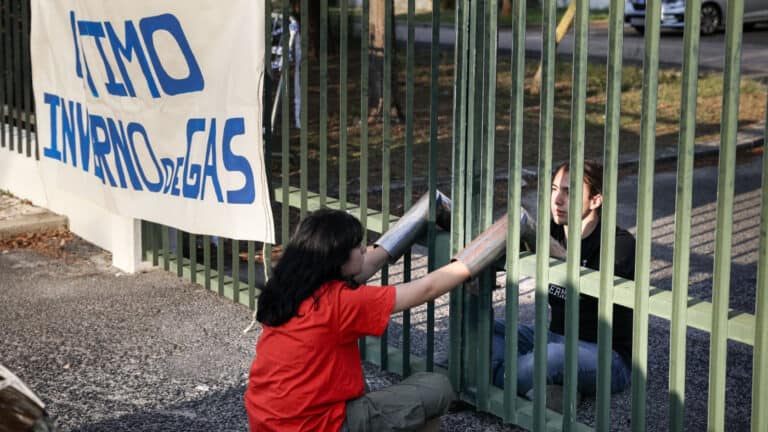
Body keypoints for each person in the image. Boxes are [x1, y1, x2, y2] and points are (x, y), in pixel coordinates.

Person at [244, 200, 496, 432]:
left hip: (267, 419)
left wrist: (426, 209)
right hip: (318, 425)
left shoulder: (291, 285)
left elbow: (372, 260)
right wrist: (487, 247)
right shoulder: (340, 302)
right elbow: (426, 289)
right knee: (436, 389)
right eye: (356, 246)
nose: (364, 249)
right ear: (336, 258)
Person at [491, 160, 635, 399]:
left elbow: (586, 290)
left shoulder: (620, 244)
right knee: (490, 329)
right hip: (554, 338)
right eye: (555, 189)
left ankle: (489, 379)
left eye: (569, 192)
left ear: (596, 199)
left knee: (551, 357)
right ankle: (547, 389)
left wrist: (555, 251)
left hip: (607, 356)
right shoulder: (554, 231)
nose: (557, 200)